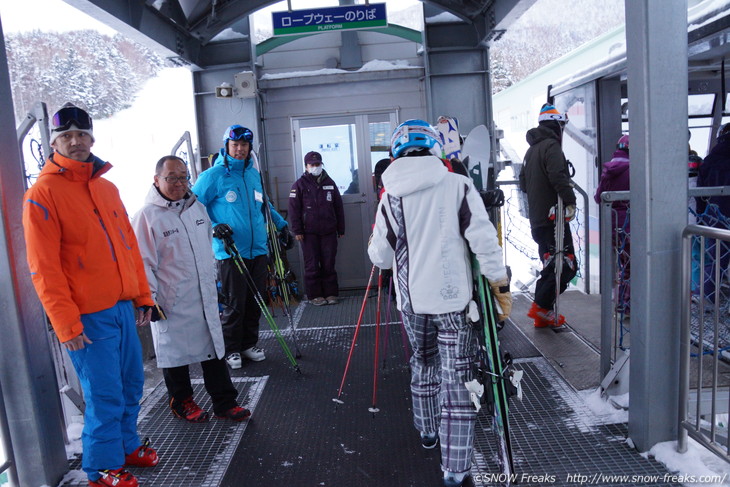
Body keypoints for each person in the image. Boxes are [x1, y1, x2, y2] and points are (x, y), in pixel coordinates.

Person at [368, 119, 511, 487]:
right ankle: (455, 468)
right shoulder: (458, 185)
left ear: (396, 153)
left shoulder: (390, 197)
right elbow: (483, 242)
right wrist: (499, 283)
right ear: (435, 148)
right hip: (454, 302)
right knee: (457, 380)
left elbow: (380, 258)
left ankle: (427, 430)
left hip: (412, 304)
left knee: (423, 362)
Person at [22, 103, 159, 487]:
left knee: (132, 384)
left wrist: (142, 296)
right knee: (104, 394)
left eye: (82, 134)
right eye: (66, 136)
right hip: (86, 317)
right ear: (53, 143)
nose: (76, 141)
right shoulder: (42, 195)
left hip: (121, 307)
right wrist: (66, 325)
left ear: (92, 138)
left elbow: (129, 246)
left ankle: (127, 446)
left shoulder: (106, 186)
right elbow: (44, 269)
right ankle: (101, 467)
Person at [132, 155, 252, 424]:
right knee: (174, 355)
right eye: (171, 177)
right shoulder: (146, 217)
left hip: (203, 294)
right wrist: (148, 299)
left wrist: (214, 283)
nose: (178, 183)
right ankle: (182, 401)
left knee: (213, 349)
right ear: (156, 180)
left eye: (183, 177)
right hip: (170, 300)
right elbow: (141, 262)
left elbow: (205, 251)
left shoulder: (197, 209)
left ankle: (225, 402)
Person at [192, 125, 289, 369]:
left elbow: (264, 204)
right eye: (235, 145)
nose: (239, 150)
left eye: (244, 146)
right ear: (226, 147)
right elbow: (193, 207)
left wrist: (281, 226)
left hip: (258, 249)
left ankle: (248, 344)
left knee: (255, 300)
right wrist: (214, 226)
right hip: (230, 251)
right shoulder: (213, 176)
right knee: (235, 303)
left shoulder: (253, 174)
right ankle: (230, 348)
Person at [519, 103, 578, 327]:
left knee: (552, 263)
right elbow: (557, 175)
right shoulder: (551, 146)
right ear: (556, 124)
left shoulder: (531, 149)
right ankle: (541, 309)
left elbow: (524, 184)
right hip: (554, 219)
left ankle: (542, 312)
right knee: (565, 264)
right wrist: (569, 200)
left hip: (539, 219)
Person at [288, 151, 345, 306]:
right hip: (308, 233)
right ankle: (315, 295)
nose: (315, 167)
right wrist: (297, 230)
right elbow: (293, 210)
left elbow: (338, 207)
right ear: (306, 166)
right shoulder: (299, 185)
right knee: (312, 265)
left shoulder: (330, 183)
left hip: (329, 231)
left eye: (317, 164)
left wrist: (341, 228)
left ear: (321, 165)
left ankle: (331, 293)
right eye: (312, 165)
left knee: (328, 263)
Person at [594, 134, 631, 316]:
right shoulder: (634, 168)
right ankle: (628, 305)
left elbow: (598, 196)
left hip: (613, 222)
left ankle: (621, 302)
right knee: (633, 265)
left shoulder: (608, 169)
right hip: (630, 223)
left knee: (622, 265)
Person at [696, 122, 730, 304]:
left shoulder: (711, 159)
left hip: (717, 215)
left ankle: (707, 299)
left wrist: (701, 217)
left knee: (715, 260)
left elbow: (701, 192)